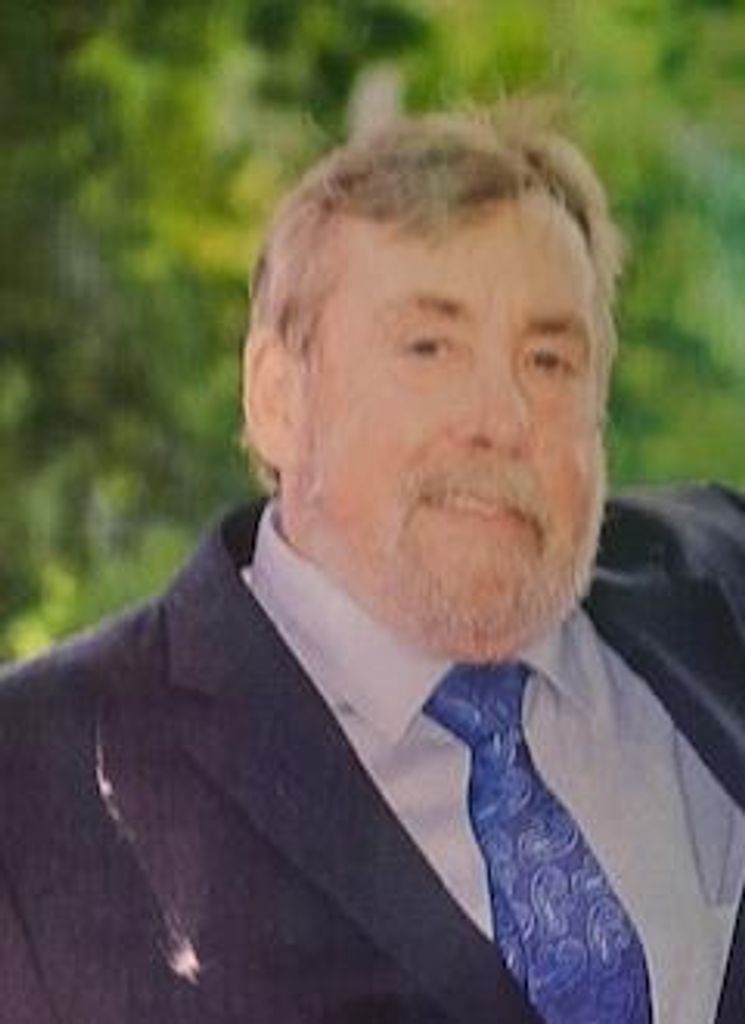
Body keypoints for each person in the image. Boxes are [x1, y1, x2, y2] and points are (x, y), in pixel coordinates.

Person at [0, 103, 743, 1024]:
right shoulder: (34, 782)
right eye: (430, 347)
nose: (501, 417)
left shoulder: (719, 581)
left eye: (549, 361)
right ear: (277, 398)